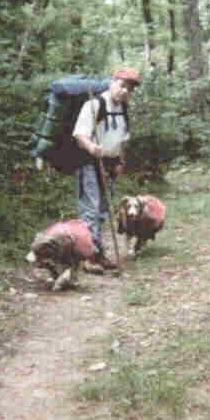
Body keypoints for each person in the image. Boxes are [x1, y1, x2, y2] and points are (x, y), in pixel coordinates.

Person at [72, 67, 141, 272]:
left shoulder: (123, 109)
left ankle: (98, 253)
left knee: (102, 211)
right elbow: (79, 134)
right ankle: (87, 257)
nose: (125, 91)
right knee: (90, 209)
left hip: (110, 165)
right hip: (89, 163)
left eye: (130, 89)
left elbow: (122, 140)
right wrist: (92, 147)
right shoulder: (94, 104)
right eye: (122, 86)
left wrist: (120, 161)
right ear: (113, 82)